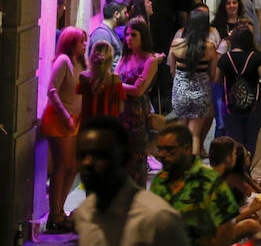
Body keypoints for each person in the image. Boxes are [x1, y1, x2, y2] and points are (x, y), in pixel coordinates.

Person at [73, 116, 189, 246]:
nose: (88, 163)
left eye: (100, 155)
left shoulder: (157, 218)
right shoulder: (85, 213)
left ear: (126, 159)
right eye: (82, 155)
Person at [151, 123, 239, 246]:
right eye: (160, 149)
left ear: (187, 149)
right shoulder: (159, 180)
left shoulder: (209, 180)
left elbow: (226, 229)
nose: (162, 155)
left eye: (169, 150)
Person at [41, 27, 86, 232]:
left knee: (74, 166)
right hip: (60, 120)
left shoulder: (80, 62)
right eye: (80, 41)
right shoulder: (64, 61)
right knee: (62, 166)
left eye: (85, 41)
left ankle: (60, 210)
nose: (84, 45)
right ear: (70, 43)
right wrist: (66, 115)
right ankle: (55, 215)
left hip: (74, 120)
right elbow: (52, 90)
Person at [217, 26, 261, 159]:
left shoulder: (225, 59)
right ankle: (246, 171)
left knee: (235, 140)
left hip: (230, 105)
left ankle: (237, 170)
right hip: (255, 103)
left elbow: (217, 79)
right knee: (250, 140)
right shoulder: (256, 57)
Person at [116, 18, 159, 188]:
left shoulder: (150, 60)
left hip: (137, 115)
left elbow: (137, 91)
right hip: (120, 113)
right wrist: (124, 85)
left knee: (137, 160)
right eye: (127, 34)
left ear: (143, 37)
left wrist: (118, 85)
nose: (129, 38)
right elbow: (113, 80)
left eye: (133, 34)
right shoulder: (124, 58)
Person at [169, 10, 217, 155]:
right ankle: (192, 168)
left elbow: (172, 70)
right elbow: (213, 75)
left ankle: (179, 164)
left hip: (180, 92)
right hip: (201, 93)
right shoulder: (209, 48)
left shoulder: (177, 44)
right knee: (195, 134)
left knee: (182, 132)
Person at [77, 40, 126, 124]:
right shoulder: (116, 80)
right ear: (110, 59)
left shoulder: (83, 77)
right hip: (109, 127)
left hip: (88, 126)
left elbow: (79, 105)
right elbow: (121, 109)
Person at [89, 0, 127, 65]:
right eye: (125, 13)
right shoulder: (102, 34)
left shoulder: (110, 31)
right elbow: (99, 66)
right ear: (116, 14)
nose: (127, 15)